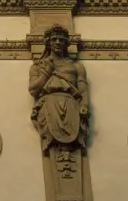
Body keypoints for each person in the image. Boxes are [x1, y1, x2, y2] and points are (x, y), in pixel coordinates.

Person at [29, 24, 89, 156]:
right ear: (48, 43)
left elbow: (83, 89)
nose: (57, 42)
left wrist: (84, 105)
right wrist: (46, 73)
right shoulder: (39, 66)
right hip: (49, 103)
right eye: (54, 39)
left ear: (66, 43)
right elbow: (34, 90)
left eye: (61, 40)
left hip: (71, 104)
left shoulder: (76, 67)